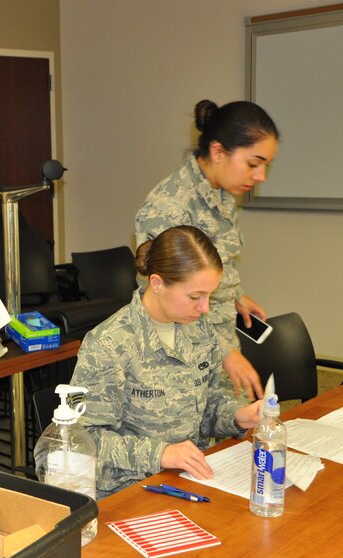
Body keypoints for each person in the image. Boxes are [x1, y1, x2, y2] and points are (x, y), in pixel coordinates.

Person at [71, 226, 261, 498]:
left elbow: (208, 403)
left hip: (190, 479)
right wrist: (161, 454)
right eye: (195, 297)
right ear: (157, 284)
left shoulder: (200, 330)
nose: (205, 308)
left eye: (210, 296)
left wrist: (236, 416)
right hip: (131, 490)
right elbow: (83, 440)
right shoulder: (109, 343)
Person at [135, 99, 279, 400]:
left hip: (217, 348)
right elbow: (165, 299)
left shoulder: (221, 194)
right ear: (217, 152)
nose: (261, 176)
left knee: (235, 432)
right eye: (253, 163)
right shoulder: (170, 207)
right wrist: (225, 351)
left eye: (266, 165)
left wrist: (235, 295)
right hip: (178, 362)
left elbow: (210, 269)